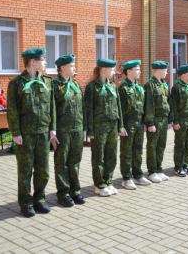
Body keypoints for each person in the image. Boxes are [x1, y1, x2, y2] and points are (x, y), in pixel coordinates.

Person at [7, 48, 56, 217]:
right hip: (25, 134)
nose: (45, 63)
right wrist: (16, 133)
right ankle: (26, 203)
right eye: (43, 60)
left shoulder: (47, 82)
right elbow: (12, 110)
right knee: (25, 170)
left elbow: (52, 107)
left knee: (43, 170)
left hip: (43, 132)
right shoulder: (16, 83)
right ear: (33, 62)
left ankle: (40, 200)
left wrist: (52, 128)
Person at [84, 59, 126, 197]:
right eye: (112, 69)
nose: (114, 72)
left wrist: (120, 126)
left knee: (111, 155)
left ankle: (108, 181)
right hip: (98, 127)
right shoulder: (92, 87)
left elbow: (118, 106)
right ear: (103, 69)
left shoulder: (113, 86)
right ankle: (99, 184)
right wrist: (89, 130)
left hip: (112, 126)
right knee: (98, 157)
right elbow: (88, 110)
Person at [52, 54, 85, 207]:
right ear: (63, 68)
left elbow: (81, 108)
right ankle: (63, 194)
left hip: (77, 129)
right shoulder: (54, 86)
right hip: (62, 130)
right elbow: (50, 110)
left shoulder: (76, 85)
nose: (75, 68)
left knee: (75, 161)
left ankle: (75, 191)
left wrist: (84, 128)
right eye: (72, 66)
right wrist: (52, 131)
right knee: (62, 163)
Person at [118, 60, 151, 190]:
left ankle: (137, 175)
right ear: (129, 71)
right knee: (126, 152)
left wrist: (145, 123)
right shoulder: (123, 88)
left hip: (138, 124)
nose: (140, 72)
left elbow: (143, 107)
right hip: (128, 124)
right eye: (137, 70)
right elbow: (120, 110)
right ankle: (126, 178)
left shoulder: (139, 87)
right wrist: (121, 126)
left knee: (138, 151)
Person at [144, 61, 172, 183]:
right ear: (158, 70)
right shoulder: (150, 85)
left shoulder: (164, 85)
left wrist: (170, 120)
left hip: (164, 119)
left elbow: (168, 103)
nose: (167, 72)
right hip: (155, 120)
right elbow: (149, 104)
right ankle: (152, 171)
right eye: (165, 70)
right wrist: (150, 123)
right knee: (152, 146)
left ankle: (159, 169)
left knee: (161, 146)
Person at [171, 64, 188, 177]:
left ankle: (185, 166)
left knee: (187, 144)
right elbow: (174, 106)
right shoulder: (176, 87)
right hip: (181, 120)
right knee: (180, 144)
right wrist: (175, 121)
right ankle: (178, 167)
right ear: (183, 75)